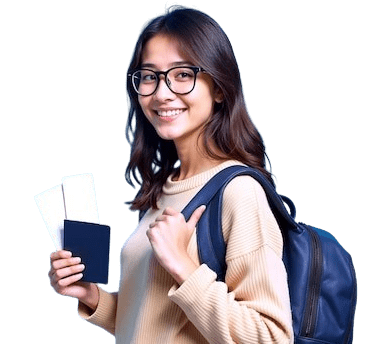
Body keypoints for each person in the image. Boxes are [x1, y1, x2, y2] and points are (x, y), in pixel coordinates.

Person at [49, 4, 294, 343]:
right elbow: (153, 323)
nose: (162, 93)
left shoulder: (240, 192)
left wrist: (184, 267)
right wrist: (92, 296)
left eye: (182, 74)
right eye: (149, 76)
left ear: (219, 87)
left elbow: (272, 337)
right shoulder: (163, 189)